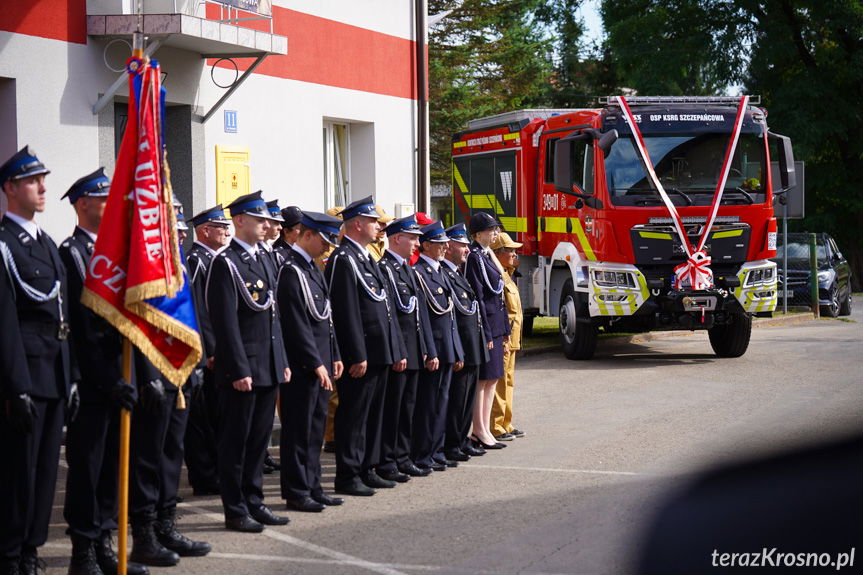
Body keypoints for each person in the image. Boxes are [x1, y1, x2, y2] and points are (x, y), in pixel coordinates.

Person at [58, 168, 149, 575]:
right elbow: (82, 329)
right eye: (103, 198)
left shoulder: (119, 253)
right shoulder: (72, 253)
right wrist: (108, 380)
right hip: (92, 382)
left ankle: (105, 541)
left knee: (114, 466)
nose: (114, 205)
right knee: (88, 468)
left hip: (120, 376)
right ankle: (84, 550)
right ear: (82, 205)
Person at [0, 146, 77, 575]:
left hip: (55, 375)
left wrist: (75, 377)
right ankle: (10, 554)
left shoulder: (45, 243)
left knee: (46, 473)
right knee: (18, 474)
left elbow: (63, 317)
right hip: (26, 379)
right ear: (11, 189)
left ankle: (31, 546)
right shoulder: (4, 246)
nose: (43, 187)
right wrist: (16, 387)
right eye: (33, 180)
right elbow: (6, 323)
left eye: (42, 179)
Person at [127, 207, 211, 567]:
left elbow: (193, 317)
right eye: (170, 225)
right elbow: (135, 326)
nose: (176, 233)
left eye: (177, 225)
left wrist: (196, 361)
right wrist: (147, 376)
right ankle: (144, 534)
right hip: (154, 375)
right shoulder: (140, 265)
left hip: (180, 372)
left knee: (171, 455)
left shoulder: (179, 265)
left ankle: (166, 525)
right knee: (148, 458)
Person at [206, 191, 291, 532]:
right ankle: (235, 508)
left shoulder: (264, 259)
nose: (266, 224)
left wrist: (280, 359)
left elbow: (274, 316)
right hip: (243, 368)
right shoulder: (225, 262)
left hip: (267, 364)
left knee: (258, 441)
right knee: (236, 442)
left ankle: (254, 500)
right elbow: (224, 323)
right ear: (239, 220)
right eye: (259, 219)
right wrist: (239, 368)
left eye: (266, 220)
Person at [325, 195, 404, 496]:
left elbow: (383, 308)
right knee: (354, 415)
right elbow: (344, 312)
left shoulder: (365, 257)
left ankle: (368, 468)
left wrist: (393, 349)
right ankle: (348, 474)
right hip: (363, 353)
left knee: (374, 414)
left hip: (379, 351)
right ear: (357, 224)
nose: (378, 226)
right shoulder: (343, 259)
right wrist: (356, 353)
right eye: (373, 221)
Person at [277, 211, 345, 512]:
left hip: (322, 362)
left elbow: (325, 319)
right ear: (307, 235)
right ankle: (296, 490)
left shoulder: (312, 268)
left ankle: (313, 486)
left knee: (315, 429)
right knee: (299, 431)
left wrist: (335, 356)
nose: (328, 247)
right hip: (304, 365)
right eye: (324, 240)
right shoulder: (291, 270)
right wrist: (315, 361)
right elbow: (295, 323)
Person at [375, 215, 436, 481]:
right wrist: (397, 350)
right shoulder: (385, 268)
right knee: (393, 410)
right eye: (412, 238)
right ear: (396, 238)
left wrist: (424, 347)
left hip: (413, 350)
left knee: (407, 408)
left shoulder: (407, 269)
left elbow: (418, 314)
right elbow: (389, 316)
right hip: (399, 351)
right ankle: (387, 461)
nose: (417, 243)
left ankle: (402, 457)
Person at [184, 205, 231, 496]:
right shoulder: (197, 260)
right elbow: (201, 310)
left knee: (218, 415)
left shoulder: (216, 259)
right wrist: (211, 349)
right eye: (221, 227)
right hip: (207, 351)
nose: (227, 232)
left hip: (221, 349)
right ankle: (204, 475)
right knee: (202, 417)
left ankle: (215, 469)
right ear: (204, 231)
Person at [412, 221, 464, 471]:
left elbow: (450, 316)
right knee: (429, 404)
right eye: (440, 243)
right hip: (434, 349)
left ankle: (436, 449)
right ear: (426, 245)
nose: (445, 247)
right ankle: (423, 453)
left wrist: (456, 350)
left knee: (441, 402)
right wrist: (429, 350)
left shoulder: (440, 271)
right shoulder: (419, 272)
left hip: (446, 347)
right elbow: (423, 318)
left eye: (445, 243)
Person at [441, 223, 488, 461]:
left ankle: (461, 440)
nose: (467, 250)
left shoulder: (457, 273)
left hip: (470, 347)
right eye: (462, 245)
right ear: (448, 247)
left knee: (466, 398)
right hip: (459, 347)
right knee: (457, 399)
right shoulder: (444, 273)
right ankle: (452, 443)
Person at [465, 212, 509, 450]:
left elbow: (499, 293)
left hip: (496, 324)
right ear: (478, 233)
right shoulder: (474, 257)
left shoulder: (486, 255)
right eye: (491, 230)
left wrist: (505, 328)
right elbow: (479, 296)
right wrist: (486, 331)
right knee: (483, 380)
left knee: (492, 378)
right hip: (487, 326)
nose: (495, 233)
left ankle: (485, 429)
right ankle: (479, 429)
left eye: (495, 229)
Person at [490, 232, 525, 441]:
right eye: (509, 250)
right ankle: (495, 426)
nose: (514, 253)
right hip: (504, 337)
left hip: (512, 338)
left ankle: (506, 423)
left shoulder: (507, 274)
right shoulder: (498, 276)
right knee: (500, 383)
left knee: (508, 382)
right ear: (497, 253)